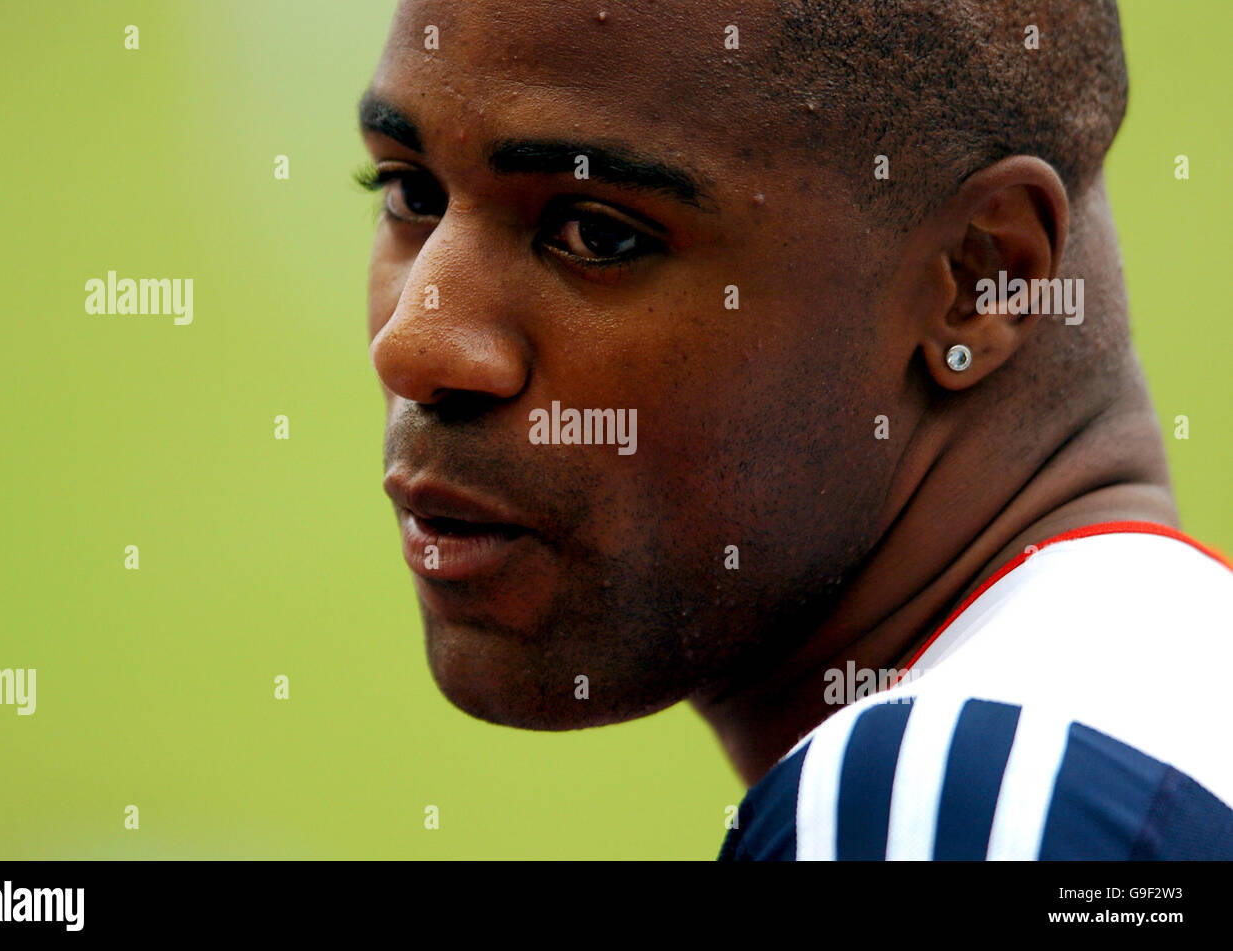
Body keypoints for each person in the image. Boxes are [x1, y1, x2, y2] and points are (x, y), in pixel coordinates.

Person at [357, 0, 1233, 859]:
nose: (416, 345)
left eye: (596, 232)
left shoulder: (948, 801)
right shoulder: (1140, 738)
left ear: (981, 277)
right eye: (410, 192)